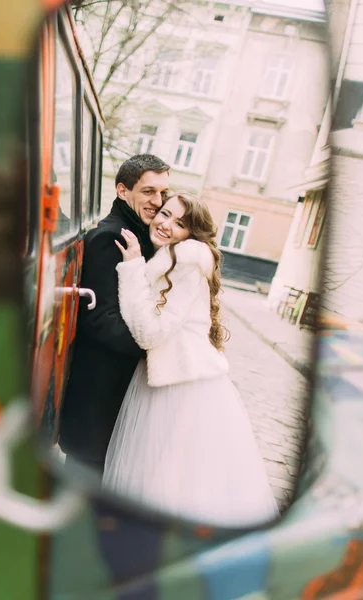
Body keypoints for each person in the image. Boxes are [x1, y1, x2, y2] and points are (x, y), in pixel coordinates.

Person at [103, 192, 280, 527]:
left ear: (192, 234)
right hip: (170, 376)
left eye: (180, 223)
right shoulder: (169, 258)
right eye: (165, 213)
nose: (166, 224)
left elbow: (150, 334)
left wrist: (131, 269)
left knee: (172, 485)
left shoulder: (185, 262)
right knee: (161, 480)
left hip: (183, 388)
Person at [58, 154, 170, 471]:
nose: (158, 201)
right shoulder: (111, 237)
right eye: (148, 191)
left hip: (118, 396)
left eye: (163, 193)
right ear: (123, 191)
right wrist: (155, 347)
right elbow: (98, 318)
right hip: (99, 395)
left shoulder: (144, 236)